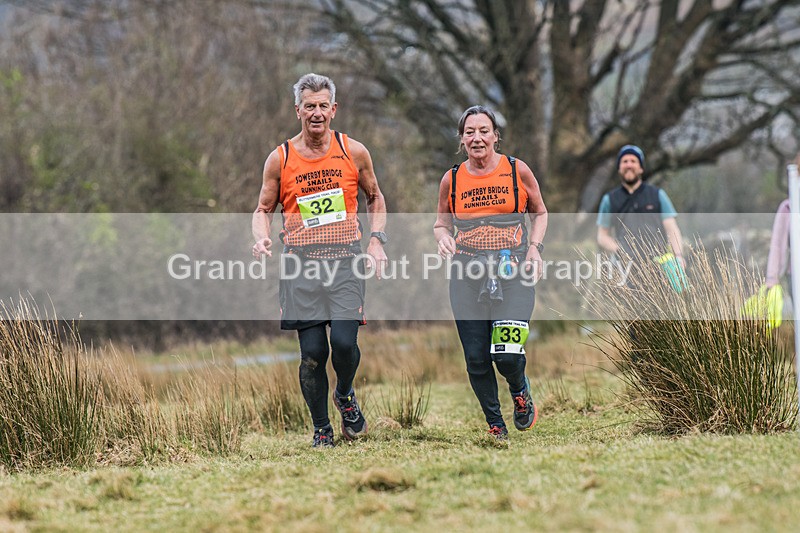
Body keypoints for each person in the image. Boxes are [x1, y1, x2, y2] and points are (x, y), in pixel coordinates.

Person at [252, 73, 388, 448]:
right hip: (301, 265)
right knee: (313, 353)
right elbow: (263, 208)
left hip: (345, 261)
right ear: (298, 110)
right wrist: (261, 237)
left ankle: (344, 394)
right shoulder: (280, 158)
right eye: (308, 106)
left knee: (344, 344)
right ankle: (321, 429)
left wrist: (376, 240)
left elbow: (375, 197)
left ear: (334, 109)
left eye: (322, 106)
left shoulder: (353, 151)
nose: (316, 113)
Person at [433, 105, 548, 441]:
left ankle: (519, 389)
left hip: (513, 273)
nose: (477, 138)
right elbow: (442, 223)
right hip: (466, 275)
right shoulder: (451, 179)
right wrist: (442, 239)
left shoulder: (516, 170)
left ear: (496, 136)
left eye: (484, 131)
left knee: (506, 353)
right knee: (476, 357)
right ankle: (495, 424)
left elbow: (539, 213)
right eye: (470, 132)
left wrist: (534, 249)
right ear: (462, 139)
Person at [597, 145, 686, 289]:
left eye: (633, 161)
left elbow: (672, 229)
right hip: (626, 268)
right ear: (619, 168)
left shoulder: (658, 195)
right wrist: (621, 251)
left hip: (660, 266)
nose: (629, 165)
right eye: (624, 161)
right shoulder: (609, 200)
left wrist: (678, 256)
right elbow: (602, 236)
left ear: (641, 168)